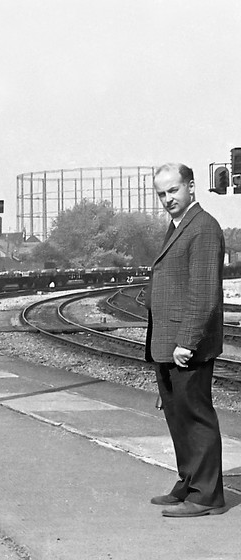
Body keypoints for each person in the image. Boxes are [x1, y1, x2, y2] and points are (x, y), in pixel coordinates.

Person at [145, 162, 226, 517]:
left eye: (173, 190)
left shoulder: (203, 229)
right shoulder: (178, 227)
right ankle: (188, 481)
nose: (168, 199)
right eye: (162, 193)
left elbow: (204, 292)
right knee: (178, 416)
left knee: (195, 416)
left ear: (191, 187)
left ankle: (206, 494)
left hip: (185, 344)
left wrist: (187, 341)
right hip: (168, 341)